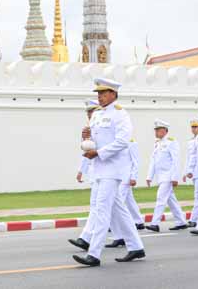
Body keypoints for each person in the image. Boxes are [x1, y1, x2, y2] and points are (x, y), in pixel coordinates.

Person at [73, 78, 145, 267]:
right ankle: (136, 246)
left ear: (113, 94)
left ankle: (94, 254)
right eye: (98, 93)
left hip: (112, 169)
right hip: (98, 168)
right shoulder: (97, 114)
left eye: (103, 93)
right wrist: (87, 139)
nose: (100, 96)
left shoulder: (120, 115)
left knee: (101, 210)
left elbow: (123, 141)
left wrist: (98, 152)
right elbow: (97, 140)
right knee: (118, 210)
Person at [69, 100, 101, 251]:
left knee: (97, 207)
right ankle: (132, 243)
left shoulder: (103, 127)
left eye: (92, 112)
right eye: (88, 113)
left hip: (109, 173)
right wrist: (82, 170)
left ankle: (86, 238)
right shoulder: (89, 129)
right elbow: (86, 153)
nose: (89, 115)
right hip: (96, 172)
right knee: (116, 210)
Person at [145, 119, 189, 232]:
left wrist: (175, 178)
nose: (156, 132)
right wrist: (149, 176)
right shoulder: (157, 143)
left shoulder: (171, 142)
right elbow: (153, 161)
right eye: (155, 130)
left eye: (158, 130)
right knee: (170, 200)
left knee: (161, 198)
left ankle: (155, 223)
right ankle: (182, 221)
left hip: (168, 176)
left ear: (165, 130)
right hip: (161, 176)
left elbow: (176, 161)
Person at [106, 137, 145, 248]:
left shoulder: (131, 142)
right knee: (129, 201)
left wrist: (134, 176)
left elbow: (135, 161)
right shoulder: (114, 141)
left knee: (117, 204)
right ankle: (138, 221)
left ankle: (119, 234)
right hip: (117, 176)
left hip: (126, 177)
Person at [184, 118, 198, 227]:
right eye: (192, 127)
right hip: (195, 172)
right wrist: (186, 171)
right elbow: (189, 157)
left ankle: (193, 219)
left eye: (196, 127)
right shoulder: (191, 141)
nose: (194, 129)